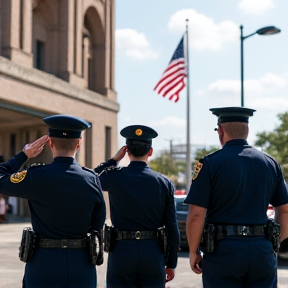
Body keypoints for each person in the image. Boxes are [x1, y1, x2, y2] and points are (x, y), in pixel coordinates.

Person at [184, 107, 288, 288]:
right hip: (261, 249)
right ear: (247, 130)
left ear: (221, 131)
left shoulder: (210, 163)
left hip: (223, 251)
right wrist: (273, 245)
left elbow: (196, 214)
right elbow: (285, 210)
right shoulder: (270, 163)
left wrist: (193, 252)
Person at [0, 115, 106, 288]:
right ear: (78, 145)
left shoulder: (35, 176)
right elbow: (98, 224)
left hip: (43, 263)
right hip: (80, 263)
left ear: (50, 144)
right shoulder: (92, 180)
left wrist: (23, 155)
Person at [94, 125, 180, 288]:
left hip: (122, 251)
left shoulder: (114, 177)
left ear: (126, 151)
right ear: (151, 152)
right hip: (152, 252)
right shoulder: (164, 183)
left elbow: (90, 180)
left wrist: (112, 161)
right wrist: (171, 263)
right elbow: (172, 227)